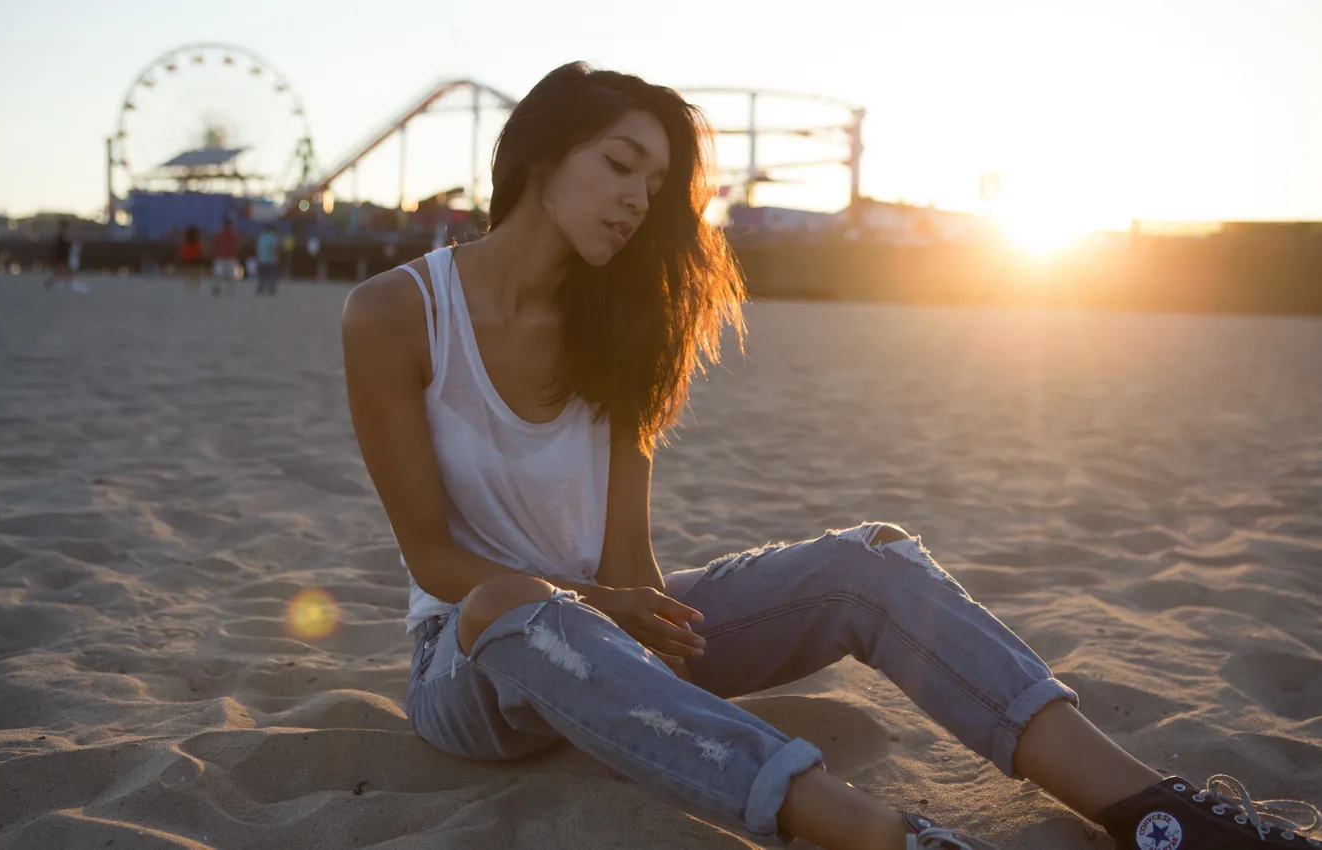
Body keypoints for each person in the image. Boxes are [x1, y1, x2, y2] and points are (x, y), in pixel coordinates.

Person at [340, 63, 1320, 850]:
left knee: (871, 560)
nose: (637, 200)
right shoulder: (394, 313)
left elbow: (629, 562)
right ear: (540, 155)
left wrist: (641, 627)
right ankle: (887, 839)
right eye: (620, 165)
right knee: (511, 601)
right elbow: (436, 559)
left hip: (611, 631)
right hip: (471, 663)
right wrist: (599, 609)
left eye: (656, 186)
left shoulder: (623, 328)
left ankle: (1154, 812)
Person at [211, 215, 241, 296]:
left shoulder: (219, 232)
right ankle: (231, 290)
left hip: (220, 256)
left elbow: (214, 244)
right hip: (231, 257)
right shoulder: (234, 233)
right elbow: (238, 244)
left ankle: (217, 287)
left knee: (218, 274)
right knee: (233, 275)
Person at [43, 220, 73, 289]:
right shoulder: (61, 238)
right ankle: (68, 285)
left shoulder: (61, 237)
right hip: (61, 258)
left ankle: (50, 283)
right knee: (64, 272)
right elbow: (61, 249)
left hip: (61, 258)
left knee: (61, 273)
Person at [255, 224, 280, 296]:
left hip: (261, 259)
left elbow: (257, 248)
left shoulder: (261, 237)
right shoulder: (273, 237)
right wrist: (276, 258)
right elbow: (274, 248)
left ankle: (260, 289)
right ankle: (271, 290)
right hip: (270, 259)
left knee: (261, 276)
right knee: (271, 275)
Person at [179, 225, 205, 292]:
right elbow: (199, 253)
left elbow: (183, 253)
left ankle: (188, 287)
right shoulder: (197, 243)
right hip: (196, 261)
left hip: (187, 261)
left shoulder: (185, 244)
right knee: (196, 275)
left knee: (188, 275)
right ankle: (197, 287)